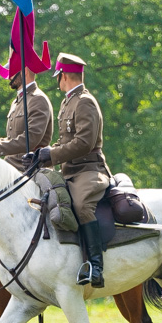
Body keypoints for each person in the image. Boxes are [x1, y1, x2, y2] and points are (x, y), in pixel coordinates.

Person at [24, 53, 111, 288]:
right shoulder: (67, 101)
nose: (57, 82)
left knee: (82, 206)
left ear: (63, 76)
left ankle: (96, 266)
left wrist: (51, 154)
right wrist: (41, 156)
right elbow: (66, 141)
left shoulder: (85, 101)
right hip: (70, 170)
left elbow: (84, 142)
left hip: (89, 170)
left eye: (58, 77)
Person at [0, 67, 54, 171]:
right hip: (10, 166)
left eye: (12, 71)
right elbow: (12, 140)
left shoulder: (38, 99)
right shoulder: (17, 101)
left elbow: (30, 139)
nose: (8, 77)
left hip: (30, 168)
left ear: (24, 72)